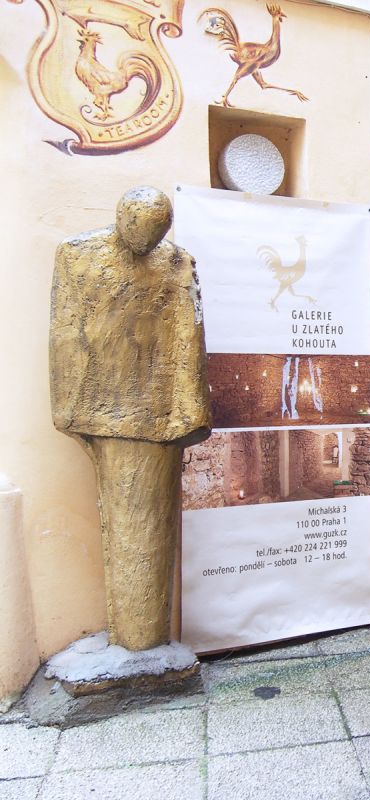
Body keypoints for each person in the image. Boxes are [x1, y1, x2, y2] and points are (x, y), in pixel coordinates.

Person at [49, 186, 211, 651]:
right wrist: (67, 409)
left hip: (158, 416)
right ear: (121, 218)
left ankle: (143, 643)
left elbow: (190, 335)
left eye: (157, 232)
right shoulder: (77, 255)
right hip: (105, 407)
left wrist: (191, 412)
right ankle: (134, 642)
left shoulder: (177, 262)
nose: (147, 240)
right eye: (140, 228)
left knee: (148, 528)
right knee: (125, 525)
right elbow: (65, 334)